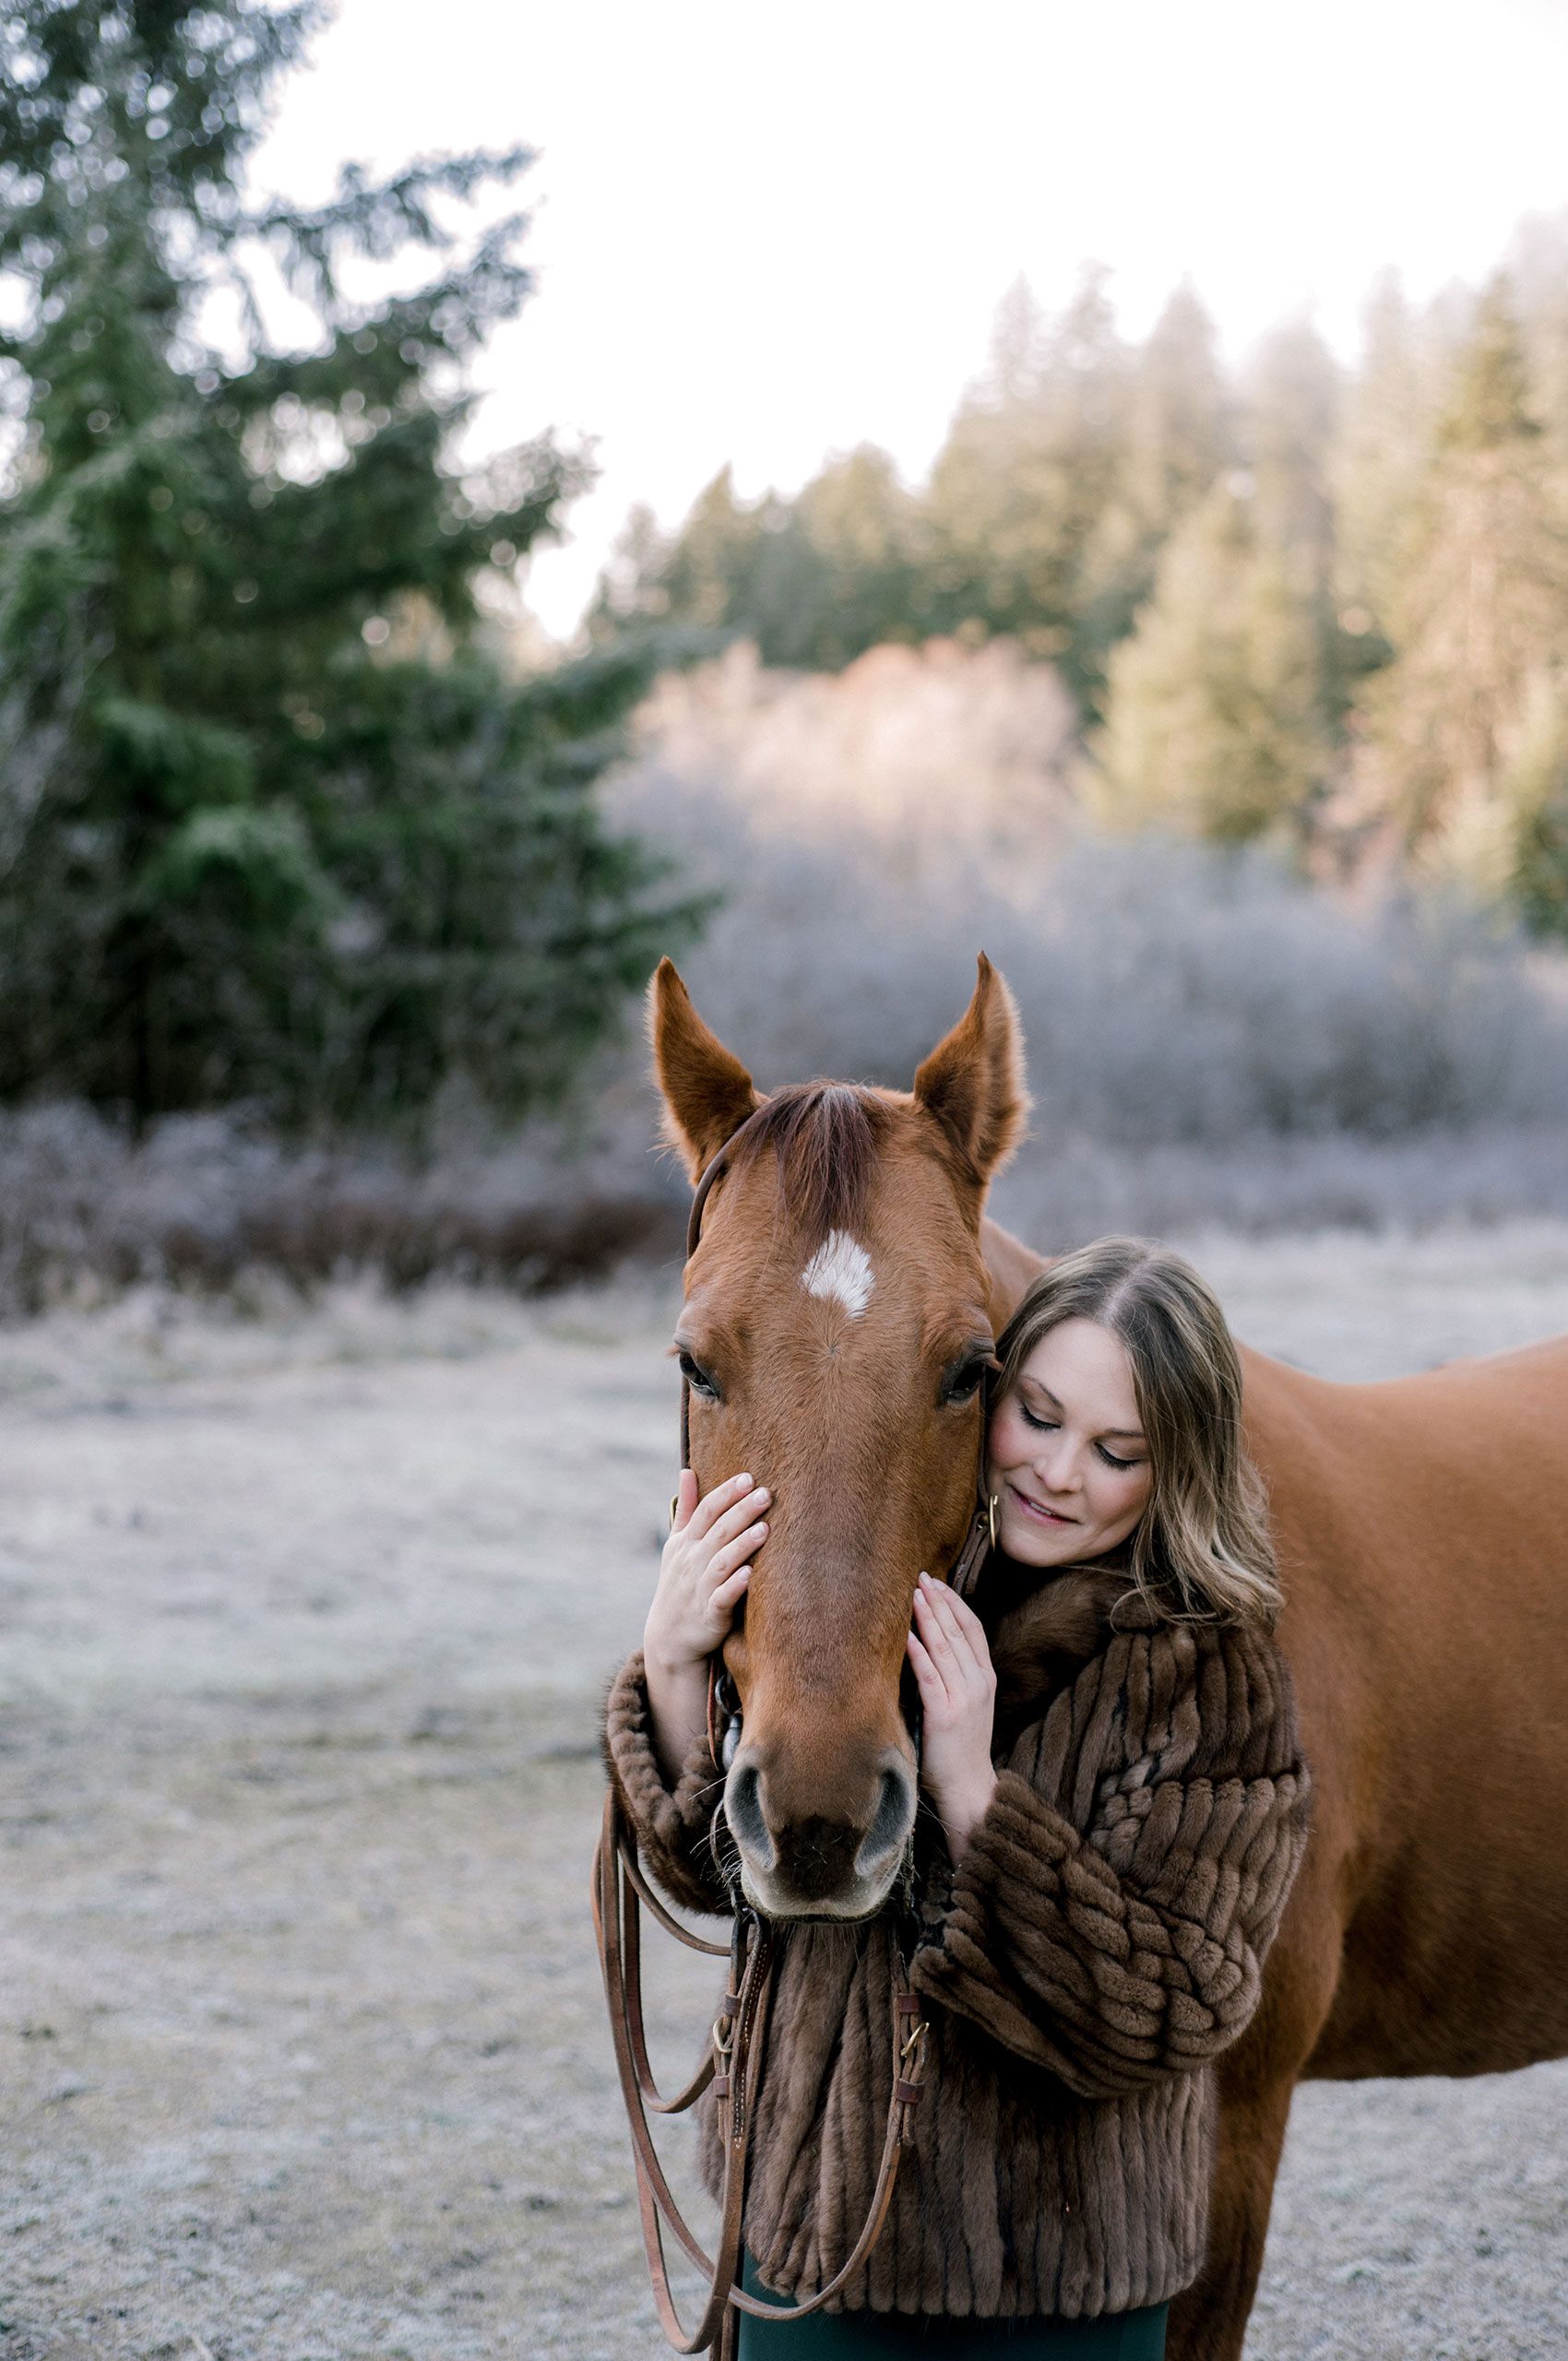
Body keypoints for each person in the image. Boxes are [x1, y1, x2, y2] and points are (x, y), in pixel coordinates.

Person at [604, 1237, 1313, 2357]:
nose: (1057, 1471)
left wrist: (976, 1798)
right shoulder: (883, 1595)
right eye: (1036, 1415)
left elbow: (1178, 2004)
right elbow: (717, 1876)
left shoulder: (1202, 1673)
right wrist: (676, 1659)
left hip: (1058, 2286)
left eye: (1116, 1448)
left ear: (1177, 1465)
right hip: (811, 2243)